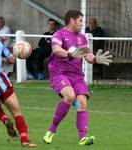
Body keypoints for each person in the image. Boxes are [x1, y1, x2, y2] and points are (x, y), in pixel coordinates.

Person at [43, 10, 112, 145]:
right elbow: (56, 50)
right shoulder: (59, 34)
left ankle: (82, 138)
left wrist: (96, 59)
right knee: (69, 96)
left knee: (81, 104)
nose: (82, 24)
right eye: (80, 21)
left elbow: (88, 56)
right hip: (59, 73)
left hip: (77, 76)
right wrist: (70, 55)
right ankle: (51, 131)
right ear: (72, 21)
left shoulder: (82, 38)